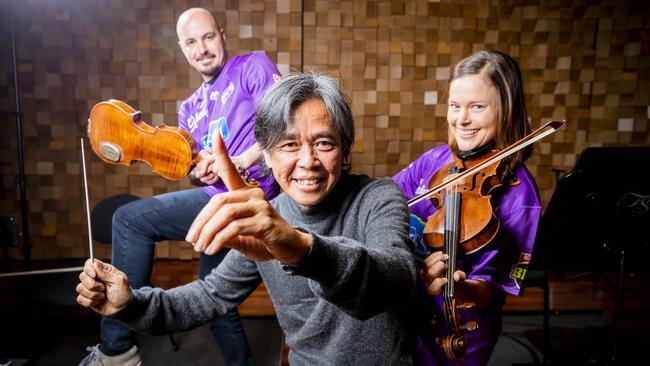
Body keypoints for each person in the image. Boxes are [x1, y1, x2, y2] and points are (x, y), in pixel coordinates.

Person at [76, 72, 419, 365]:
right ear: (266, 155)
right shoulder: (269, 219)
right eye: (288, 145)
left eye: (324, 143)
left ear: (344, 149)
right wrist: (131, 304)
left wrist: (300, 248)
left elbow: (397, 279)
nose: (307, 161)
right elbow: (208, 296)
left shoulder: (378, 196)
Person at [79, 7, 281, 366]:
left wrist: (241, 161)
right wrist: (199, 171)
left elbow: (285, 124)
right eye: (191, 42)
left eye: (207, 37)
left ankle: (117, 349)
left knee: (129, 219)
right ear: (182, 49)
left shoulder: (254, 67)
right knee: (214, 296)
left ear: (222, 35)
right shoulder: (189, 108)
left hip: (255, 194)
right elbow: (192, 168)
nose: (202, 48)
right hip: (216, 201)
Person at [392, 49, 542, 365]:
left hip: (462, 332)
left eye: (477, 107)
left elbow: (492, 290)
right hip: (407, 316)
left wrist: (456, 287)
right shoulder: (436, 161)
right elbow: (386, 198)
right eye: (455, 106)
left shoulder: (521, 197)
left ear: (507, 111)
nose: (461, 119)